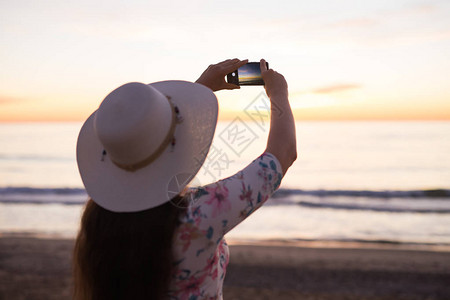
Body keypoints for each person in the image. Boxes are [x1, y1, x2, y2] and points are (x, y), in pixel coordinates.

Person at [73, 58, 296, 300]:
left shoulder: (98, 220)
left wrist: (200, 88)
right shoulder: (197, 217)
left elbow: (146, 143)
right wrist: (278, 93)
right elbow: (282, 154)